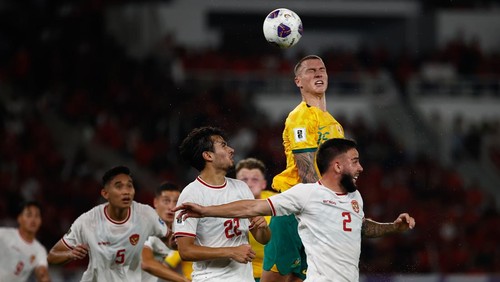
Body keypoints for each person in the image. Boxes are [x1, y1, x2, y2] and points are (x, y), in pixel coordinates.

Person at [174, 138, 416, 282]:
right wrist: (205, 210)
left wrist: (393, 227)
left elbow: (362, 227)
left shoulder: (355, 197)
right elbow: (252, 206)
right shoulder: (307, 194)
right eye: (355, 161)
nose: (361, 167)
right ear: (338, 165)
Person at [267, 54, 345, 281]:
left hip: (317, 211)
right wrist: (329, 209)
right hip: (294, 210)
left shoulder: (335, 125)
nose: (319, 73)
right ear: (298, 82)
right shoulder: (299, 117)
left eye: (322, 69)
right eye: (310, 70)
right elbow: (307, 172)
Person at [173, 126, 271, 282]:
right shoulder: (191, 194)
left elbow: (263, 239)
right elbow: (185, 251)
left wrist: (263, 228)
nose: (231, 149)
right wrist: (230, 251)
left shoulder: (241, 187)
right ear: (208, 155)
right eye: (224, 145)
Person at [47, 166, 172, 281]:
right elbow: (52, 257)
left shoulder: (146, 214)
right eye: (119, 186)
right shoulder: (87, 221)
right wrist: (70, 254)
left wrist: (183, 238)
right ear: (105, 194)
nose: (126, 191)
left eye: (129, 186)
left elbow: (171, 239)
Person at [235, 158, 276, 282]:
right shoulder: (223, 205)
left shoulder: (278, 202)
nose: (249, 184)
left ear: (263, 184)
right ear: (235, 183)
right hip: (236, 274)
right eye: (244, 180)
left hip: (274, 274)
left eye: (255, 179)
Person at [141, 182, 191, 282]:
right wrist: (184, 280)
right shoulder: (145, 224)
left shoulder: (181, 223)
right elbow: (146, 263)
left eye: (176, 202)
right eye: (166, 201)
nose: (172, 207)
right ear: (155, 202)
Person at [0, 201, 51, 282]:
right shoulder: (4, 235)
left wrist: (44, 278)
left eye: (37, 216)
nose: (33, 220)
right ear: (19, 218)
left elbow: (42, 272)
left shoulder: (39, 250)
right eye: (29, 215)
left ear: (40, 221)